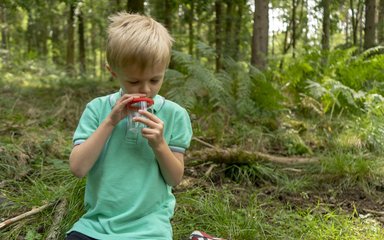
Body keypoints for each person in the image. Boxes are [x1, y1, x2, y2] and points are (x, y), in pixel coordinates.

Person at [66, 12, 193, 240]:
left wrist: (160, 144)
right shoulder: (97, 110)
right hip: (96, 225)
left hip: (150, 228)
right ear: (114, 72)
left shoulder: (175, 115)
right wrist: (110, 122)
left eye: (155, 80)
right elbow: (78, 168)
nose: (145, 90)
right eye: (134, 82)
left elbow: (175, 179)